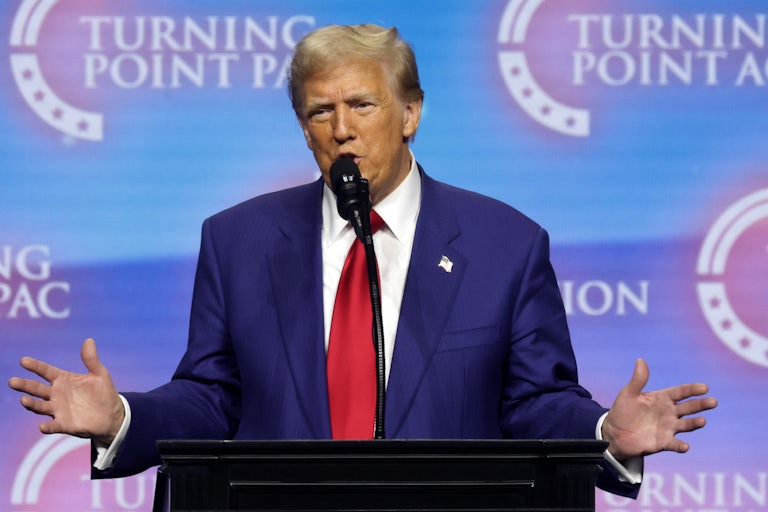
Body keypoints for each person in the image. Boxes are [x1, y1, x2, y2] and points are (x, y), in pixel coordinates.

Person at [8, 24, 716, 498]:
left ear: (410, 113)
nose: (341, 129)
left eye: (362, 105)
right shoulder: (238, 240)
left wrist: (604, 435)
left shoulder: (506, 243)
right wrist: (122, 417)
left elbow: (534, 404)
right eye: (319, 112)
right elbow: (212, 398)